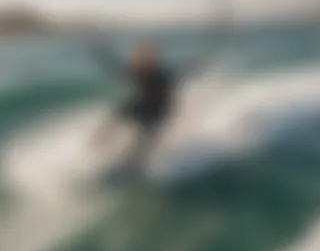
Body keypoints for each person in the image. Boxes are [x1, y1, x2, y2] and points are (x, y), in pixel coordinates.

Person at [86, 16, 229, 172]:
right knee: (118, 114)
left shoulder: (164, 75)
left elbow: (193, 66)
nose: (141, 63)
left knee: (144, 139)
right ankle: (98, 145)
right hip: (143, 104)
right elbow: (112, 64)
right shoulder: (136, 71)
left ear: (152, 60)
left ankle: (134, 165)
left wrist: (213, 41)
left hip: (161, 112)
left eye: (146, 59)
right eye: (139, 59)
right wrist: (97, 46)